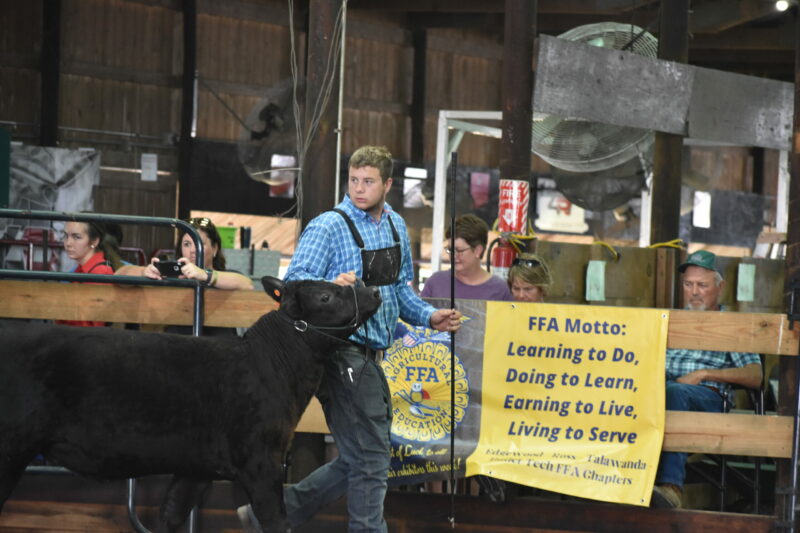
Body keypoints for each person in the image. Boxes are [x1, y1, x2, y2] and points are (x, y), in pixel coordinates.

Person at [239, 145, 461, 533]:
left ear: (388, 184)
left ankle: (269, 514)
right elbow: (295, 288)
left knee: (361, 457)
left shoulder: (394, 226)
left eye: (369, 181)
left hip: (374, 354)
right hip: (340, 353)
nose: (359, 188)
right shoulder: (328, 225)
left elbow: (400, 292)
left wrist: (429, 316)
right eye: (354, 180)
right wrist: (330, 285)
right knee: (373, 458)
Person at [651, 250, 762, 509]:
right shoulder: (672, 320)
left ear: (719, 287)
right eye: (688, 285)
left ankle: (671, 488)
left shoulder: (732, 325)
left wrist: (704, 374)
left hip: (708, 398)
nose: (695, 292)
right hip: (662, 393)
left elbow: (755, 376)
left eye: (702, 285)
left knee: (676, 392)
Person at [116, 216, 253, 336]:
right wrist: (144, 272)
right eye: (187, 244)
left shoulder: (226, 277)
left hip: (221, 351)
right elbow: (119, 276)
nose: (193, 250)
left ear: (215, 248)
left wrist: (205, 275)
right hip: (178, 348)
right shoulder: (171, 277)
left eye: (200, 243)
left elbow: (247, 284)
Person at [420, 214, 512, 301]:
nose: (453, 256)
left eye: (459, 251)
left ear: (478, 250)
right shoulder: (435, 283)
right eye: (450, 250)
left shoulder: (500, 290)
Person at [57, 220, 123, 327]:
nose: (68, 243)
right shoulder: (82, 269)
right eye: (65, 236)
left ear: (94, 242)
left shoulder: (101, 272)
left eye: (77, 237)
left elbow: (91, 324)